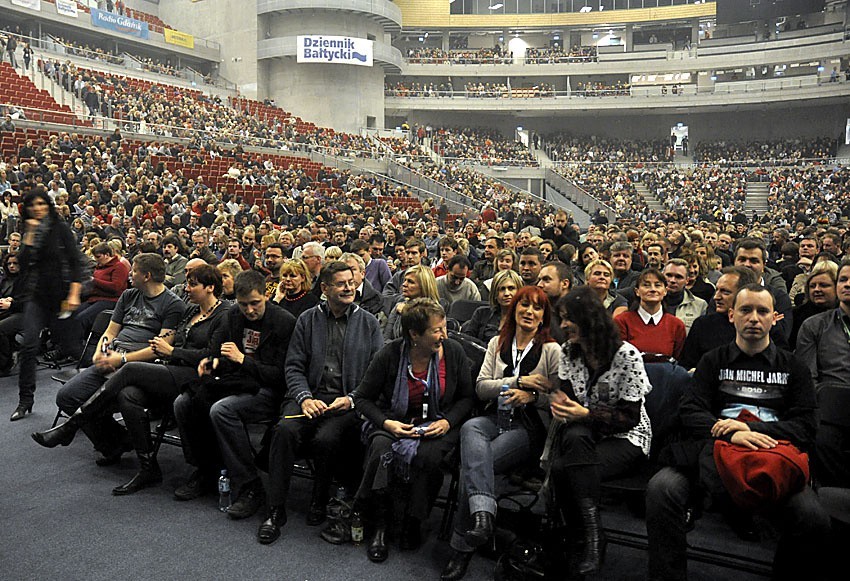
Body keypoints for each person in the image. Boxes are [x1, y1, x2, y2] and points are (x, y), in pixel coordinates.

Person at [645, 284, 829, 581]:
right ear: (732, 316)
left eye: (762, 311)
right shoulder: (713, 361)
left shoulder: (793, 366)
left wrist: (750, 429)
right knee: (661, 489)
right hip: (712, 452)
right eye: (745, 310)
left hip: (772, 455)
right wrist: (729, 435)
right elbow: (691, 410)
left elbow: (807, 424)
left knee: (813, 518)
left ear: (775, 318)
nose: (754, 318)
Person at [31, 265, 228, 495]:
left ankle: (71, 426)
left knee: (130, 369)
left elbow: (212, 355)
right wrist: (158, 346)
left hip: (195, 376)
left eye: (193, 284)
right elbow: (168, 338)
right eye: (187, 282)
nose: (187, 288)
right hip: (171, 370)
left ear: (210, 287)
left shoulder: (223, 314)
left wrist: (171, 352)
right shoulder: (190, 311)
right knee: (128, 395)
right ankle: (148, 468)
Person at [258, 261, 383, 544]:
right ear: (324, 288)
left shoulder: (369, 322)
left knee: (328, 437)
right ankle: (275, 509)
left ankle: (319, 499)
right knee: (283, 432)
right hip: (308, 396)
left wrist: (352, 399)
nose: (349, 287)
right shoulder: (307, 320)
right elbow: (293, 367)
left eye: (351, 282)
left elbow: (376, 374)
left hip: (346, 401)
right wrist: (304, 398)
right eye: (341, 283)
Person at [441, 287, 560, 580]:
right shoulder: (497, 342)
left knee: (476, 465)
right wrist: (516, 381)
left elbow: (559, 398)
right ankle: (483, 519)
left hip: (528, 427)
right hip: (494, 417)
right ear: (514, 310)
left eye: (536, 308)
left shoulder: (552, 351)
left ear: (544, 316)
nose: (529, 312)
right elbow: (482, 387)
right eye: (524, 305)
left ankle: (462, 549)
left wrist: (531, 397)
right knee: (470, 427)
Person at [353, 298, 475, 563]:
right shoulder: (390, 354)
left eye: (444, 328)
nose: (444, 335)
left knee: (428, 457)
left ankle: (412, 520)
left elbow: (467, 398)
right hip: (395, 420)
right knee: (381, 450)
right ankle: (380, 526)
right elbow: (362, 398)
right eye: (437, 330)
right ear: (415, 335)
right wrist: (387, 424)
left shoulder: (452, 352)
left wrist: (447, 422)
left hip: (437, 421)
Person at [545, 285, 653, 575]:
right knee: (575, 439)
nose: (564, 325)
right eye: (562, 318)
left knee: (562, 469)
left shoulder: (626, 355)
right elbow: (567, 399)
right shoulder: (569, 351)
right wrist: (559, 403)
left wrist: (585, 413)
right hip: (585, 433)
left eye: (569, 318)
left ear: (589, 317)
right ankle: (590, 535)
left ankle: (585, 536)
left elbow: (630, 417)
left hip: (626, 437)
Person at [172, 270, 296, 515]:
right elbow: (223, 356)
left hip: (268, 390)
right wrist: (214, 362)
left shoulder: (284, 322)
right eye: (243, 304)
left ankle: (250, 484)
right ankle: (206, 469)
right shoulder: (233, 316)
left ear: (266, 296)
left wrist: (242, 361)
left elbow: (282, 376)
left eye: (255, 303)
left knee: (222, 410)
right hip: (238, 382)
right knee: (182, 402)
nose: (249, 310)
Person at [43, 253, 185, 461]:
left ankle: (110, 445)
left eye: (134, 270)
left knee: (99, 401)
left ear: (146, 276)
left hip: (140, 365)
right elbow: (110, 332)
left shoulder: (173, 304)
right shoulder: (128, 296)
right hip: (113, 357)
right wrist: (101, 351)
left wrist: (122, 359)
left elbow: (161, 348)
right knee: (66, 397)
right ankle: (118, 441)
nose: (129, 274)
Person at [12, 189, 85, 421]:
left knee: (73, 348)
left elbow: (75, 262)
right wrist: (30, 234)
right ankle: (25, 400)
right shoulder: (29, 230)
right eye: (33, 204)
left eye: (42, 203)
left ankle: (99, 390)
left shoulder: (60, 228)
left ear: (49, 205)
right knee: (29, 345)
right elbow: (22, 263)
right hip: (36, 296)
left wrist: (74, 293)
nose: (38, 208)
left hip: (61, 295)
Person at [796, 258, 850, 487]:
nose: (847, 284)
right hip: (830, 408)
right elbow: (808, 379)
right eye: (843, 280)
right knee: (823, 440)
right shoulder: (814, 325)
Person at [615, 268, 686, 361]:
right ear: (637, 291)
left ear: (665, 291)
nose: (652, 289)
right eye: (646, 285)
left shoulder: (676, 325)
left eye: (657, 285)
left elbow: (678, 360)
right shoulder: (622, 321)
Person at [384, 264, 442, 343]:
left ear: (423, 286)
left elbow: (424, 340)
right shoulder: (399, 306)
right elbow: (386, 337)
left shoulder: (436, 311)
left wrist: (407, 312)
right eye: (405, 280)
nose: (404, 284)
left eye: (410, 282)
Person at [462, 269, 522, 344]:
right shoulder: (481, 313)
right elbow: (467, 341)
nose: (506, 293)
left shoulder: (523, 317)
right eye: (502, 289)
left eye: (511, 288)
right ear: (495, 294)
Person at [789, 260, 838, 348]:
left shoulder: (845, 314)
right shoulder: (796, 315)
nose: (817, 289)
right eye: (812, 286)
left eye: (823, 285)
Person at [536, 261, 573, 342]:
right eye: (539, 280)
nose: (539, 284)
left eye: (546, 280)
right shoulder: (538, 314)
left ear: (565, 284)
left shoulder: (579, 315)